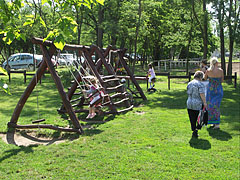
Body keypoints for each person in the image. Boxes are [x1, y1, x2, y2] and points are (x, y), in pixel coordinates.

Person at [204, 57, 224, 129]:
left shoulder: (208, 71)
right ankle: (216, 123)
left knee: (210, 106)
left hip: (210, 90)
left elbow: (205, 78)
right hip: (218, 89)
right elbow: (222, 80)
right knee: (216, 106)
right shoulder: (221, 71)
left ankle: (213, 122)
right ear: (217, 63)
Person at [187, 71, 207, 138]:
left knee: (192, 118)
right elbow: (202, 94)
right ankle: (197, 128)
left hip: (189, 102)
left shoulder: (189, 83)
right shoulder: (200, 84)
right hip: (197, 103)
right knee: (199, 118)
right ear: (201, 77)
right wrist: (204, 102)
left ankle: (194, 130)